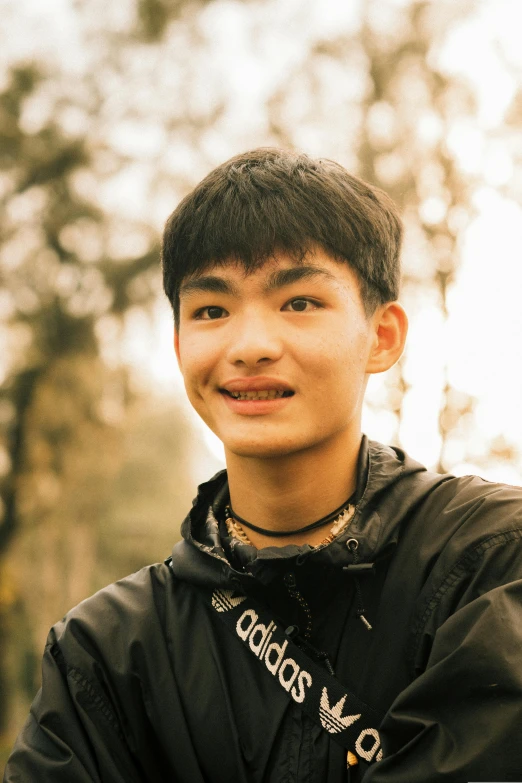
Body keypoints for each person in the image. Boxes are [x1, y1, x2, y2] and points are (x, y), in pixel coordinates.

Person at [4, 148, 522, 783]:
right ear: (179, 347)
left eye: (299, 302)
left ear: (381, 336)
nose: (249, 346)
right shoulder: (108, 650)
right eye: (212, 311)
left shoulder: (491, 563)